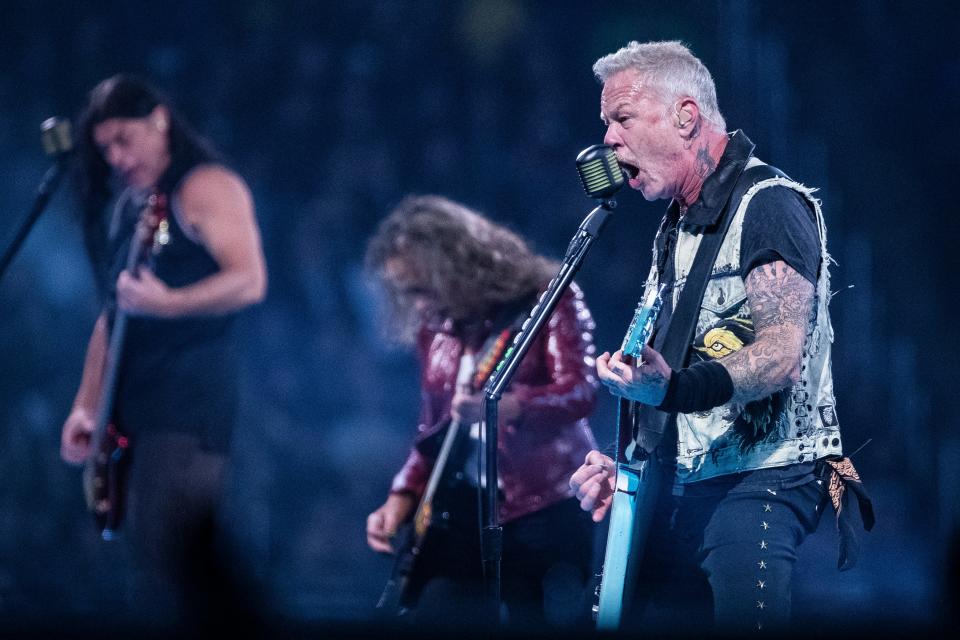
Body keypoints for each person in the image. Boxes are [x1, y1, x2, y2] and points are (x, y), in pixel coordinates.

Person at [568, 41, 873, 633]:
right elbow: (676, 370)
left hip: (758, 482)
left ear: (686, 117)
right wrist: (628, 464)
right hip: (679, 482)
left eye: (622, 118)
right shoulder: (675, 226)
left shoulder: (770, 204)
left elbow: (781, 355)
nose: (607, 139)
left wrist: (673, 389)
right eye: (606, 122)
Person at [59, 74, 267, 630]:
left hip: (188, 406)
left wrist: (171, 303)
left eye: (124, 140)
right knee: (142, 569)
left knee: (172, 564)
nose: (116, 157)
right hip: (134, 408)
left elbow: (249, 280)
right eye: (105, 148)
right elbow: (113, 313)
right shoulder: (130, 206)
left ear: (160, 121)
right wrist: (88, 407)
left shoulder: (204, 186)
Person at [364, 195, 598, 630]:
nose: (417, 305)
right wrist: (401, 497)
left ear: (456, 267)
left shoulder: (545, 299)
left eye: (422, 288)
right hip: (468, 510)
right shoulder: (435, 333)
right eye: (406, 292)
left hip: (545, 505)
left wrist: (509, 407)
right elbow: (433, 431)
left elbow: (582, 391)